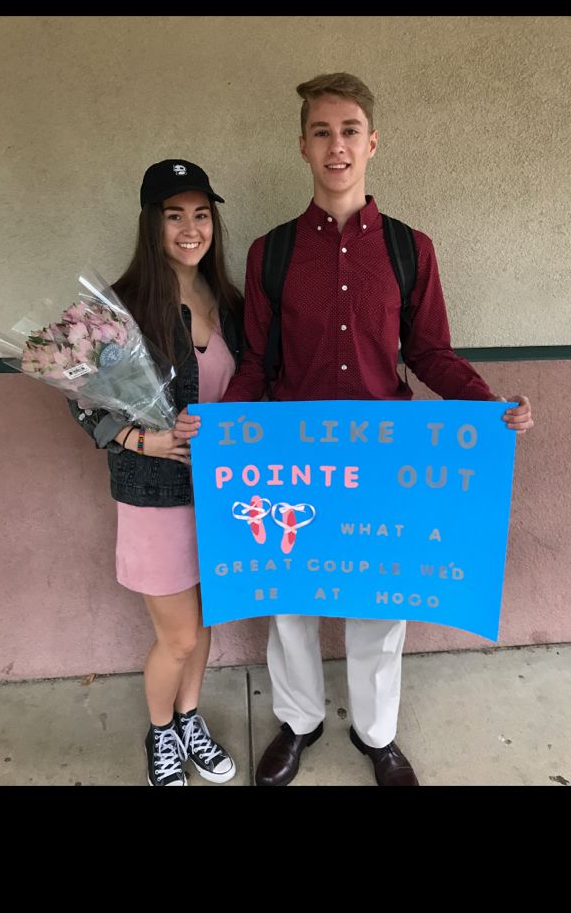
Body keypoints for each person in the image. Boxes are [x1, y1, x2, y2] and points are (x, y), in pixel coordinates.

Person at [212, 72, 533, 787]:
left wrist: (487, 408)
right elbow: (258, 366)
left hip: (384, 460)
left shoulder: (409, 248)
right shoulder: (272, 252)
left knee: (378, 598)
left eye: (349, 130)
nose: (336, 146)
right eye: (321, 132)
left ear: (372, 142)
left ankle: (375, 732)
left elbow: (429, 353)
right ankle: (297, 722)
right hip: (290, 460)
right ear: (302, 146)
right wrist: (216, 427)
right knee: (288, 598)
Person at [71, 159, 244, 786]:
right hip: (155, 500)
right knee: (175, 637)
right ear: (152, 224)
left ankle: (190, 717)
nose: (191, 229)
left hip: (226, 496)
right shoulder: (119, 308)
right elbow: (79, 396)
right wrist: (142, 438)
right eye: (175, 216)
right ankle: (161, 733)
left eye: (201, 215)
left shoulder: (230, 302)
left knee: (204, 625)